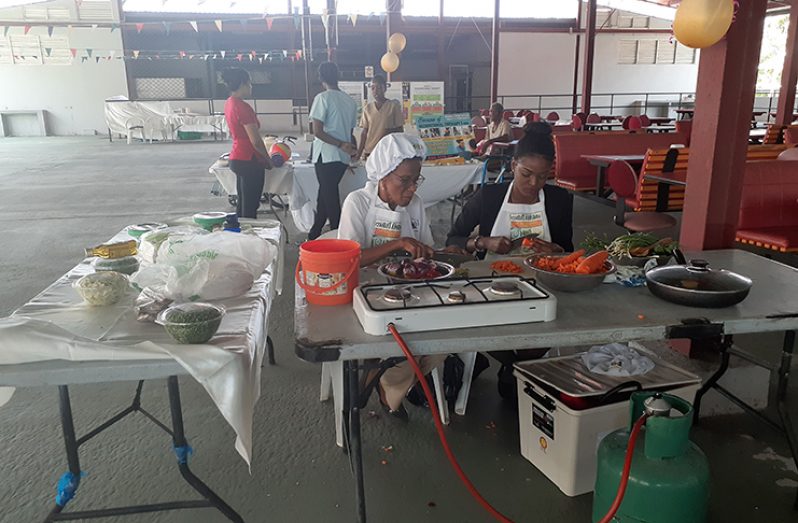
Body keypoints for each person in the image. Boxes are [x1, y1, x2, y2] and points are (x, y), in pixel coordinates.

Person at [446, 121, 574, 401]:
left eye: (543, 177)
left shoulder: (559, 200)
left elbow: (569, 250)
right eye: (527, 174)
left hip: (543, 285)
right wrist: (484, 242)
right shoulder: (489, 197)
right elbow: (453, 239)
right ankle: (514, 366)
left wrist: (554, 249)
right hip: (491, 285)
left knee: (555, 322)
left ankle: (516, 365)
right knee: (479, 325)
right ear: (513, 164)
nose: (534, 184)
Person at [338, 133, 443, 419]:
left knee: (444, 340)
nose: (411, 189)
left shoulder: (417, 204)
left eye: (416, 180)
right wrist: (397, 244)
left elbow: (425, 249)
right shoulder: (357, 202)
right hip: (364, 294)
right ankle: (389, 386)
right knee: (402, 342)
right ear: (383, 176)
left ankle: (387, 380)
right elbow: (349, 259)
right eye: (404, 181)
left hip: (410, 292)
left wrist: (439, 253)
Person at [308, 62, 359, 240]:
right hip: (342, 158)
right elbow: (351, 134)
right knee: (324, 196)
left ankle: (339, 236)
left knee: (330, 198)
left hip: (326, 155)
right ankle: (314, 234)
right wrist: (350, 152)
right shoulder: (350, 101)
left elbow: (317, 131)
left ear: (320, 77)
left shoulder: (322, 98)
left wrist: (339, 144)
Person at [222, 68, 272, 219]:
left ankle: (240, 236)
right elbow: (255, 141)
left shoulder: (229, 103)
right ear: (243, 84)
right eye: (249, 83)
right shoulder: (243, 107)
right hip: (249, 159)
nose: (251, 86)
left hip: (237, 157)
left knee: (243, 204)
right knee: (250, 207)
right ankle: (249, 238)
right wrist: (268, 159)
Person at [356, 75, 404, 160]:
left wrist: (389, 131)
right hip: (370, 151)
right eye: (373, 88)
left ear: (385, 89)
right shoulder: (368, 108)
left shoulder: (393, 106)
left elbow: (400, 130)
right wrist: (358, 154)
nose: (376, 91)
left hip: (386, 151)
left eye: (379, 88)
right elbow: (364, 133)